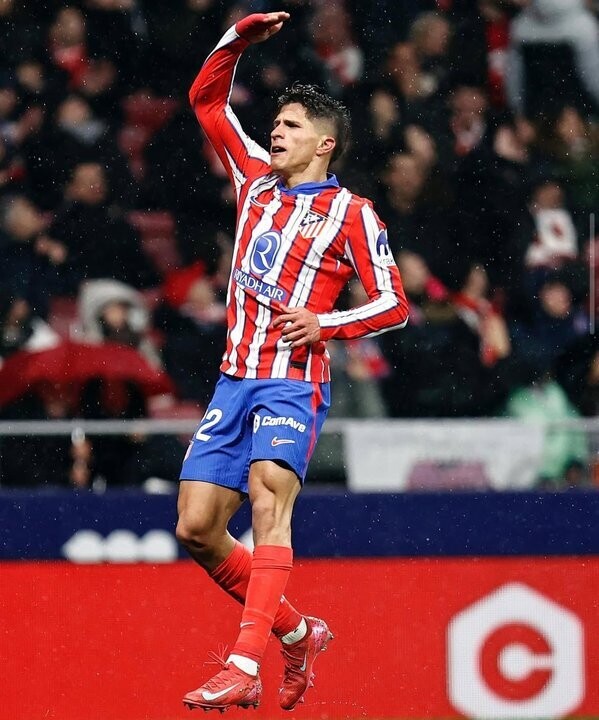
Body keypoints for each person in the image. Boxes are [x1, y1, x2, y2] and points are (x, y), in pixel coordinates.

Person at [175, 11, 409, 714]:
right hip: (233, 379)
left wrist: (324, 323)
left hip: (292, 382)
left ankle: (243, 663)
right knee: (196, 528)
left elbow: (394, 304)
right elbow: (206, 103)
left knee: (267, 501)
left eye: (291, 125)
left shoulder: (352, 214)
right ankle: (300, 634)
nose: (275, 131)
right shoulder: (253, 181)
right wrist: (235, 40)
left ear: (324, 143)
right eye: (274, 123)